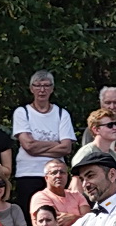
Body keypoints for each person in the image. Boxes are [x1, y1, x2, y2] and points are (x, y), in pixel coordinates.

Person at [11, 70, 74, 203]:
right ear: (31, 88)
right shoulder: (22, 112)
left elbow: (67, 148)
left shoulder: (62, 114)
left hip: (56, 175)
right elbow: (28, 146)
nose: (42, 90)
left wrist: (36, 146)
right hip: (28, 174)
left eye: (46, 86)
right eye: (38, 86)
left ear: (52, 89)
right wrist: (56, 144)